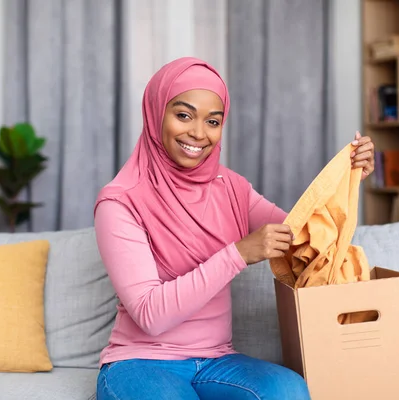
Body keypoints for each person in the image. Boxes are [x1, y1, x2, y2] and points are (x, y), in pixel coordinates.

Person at [93, 57, 375, 400]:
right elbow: (151, 315)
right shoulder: (119, 202)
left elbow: (302, 235)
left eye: (213, 121)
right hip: (140, 362)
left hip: (217, 361)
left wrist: (346, 181)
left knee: (290, 392)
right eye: (183, 115)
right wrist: (239, 253)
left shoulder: (232, 188)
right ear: (155, 114)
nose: (198, 133)